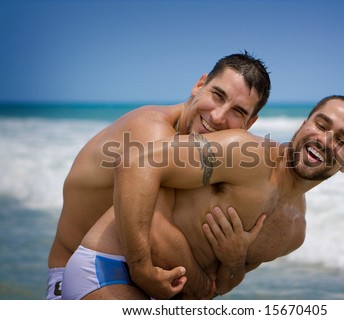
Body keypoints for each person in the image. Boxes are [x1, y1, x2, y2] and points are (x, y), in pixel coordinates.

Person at [61, 95, 344, 300]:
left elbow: (218, 287)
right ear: (304, 124)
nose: (324, 140)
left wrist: (235, 257)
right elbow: (136, 163)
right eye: (321, 124)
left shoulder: (294, 231)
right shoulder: (246, 153)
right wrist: (142, 267)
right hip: (112, 269)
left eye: (342, 141)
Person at [47, 52, 271, 300]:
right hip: (83, 276)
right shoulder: (152, 129)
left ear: (249, 124)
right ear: (199, 85)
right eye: (217, 96)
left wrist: (235, 258)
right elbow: (156, 230)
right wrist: (204, 287)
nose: (218, 116)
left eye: (237, 111)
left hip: (142, 279)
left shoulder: (206, 157)